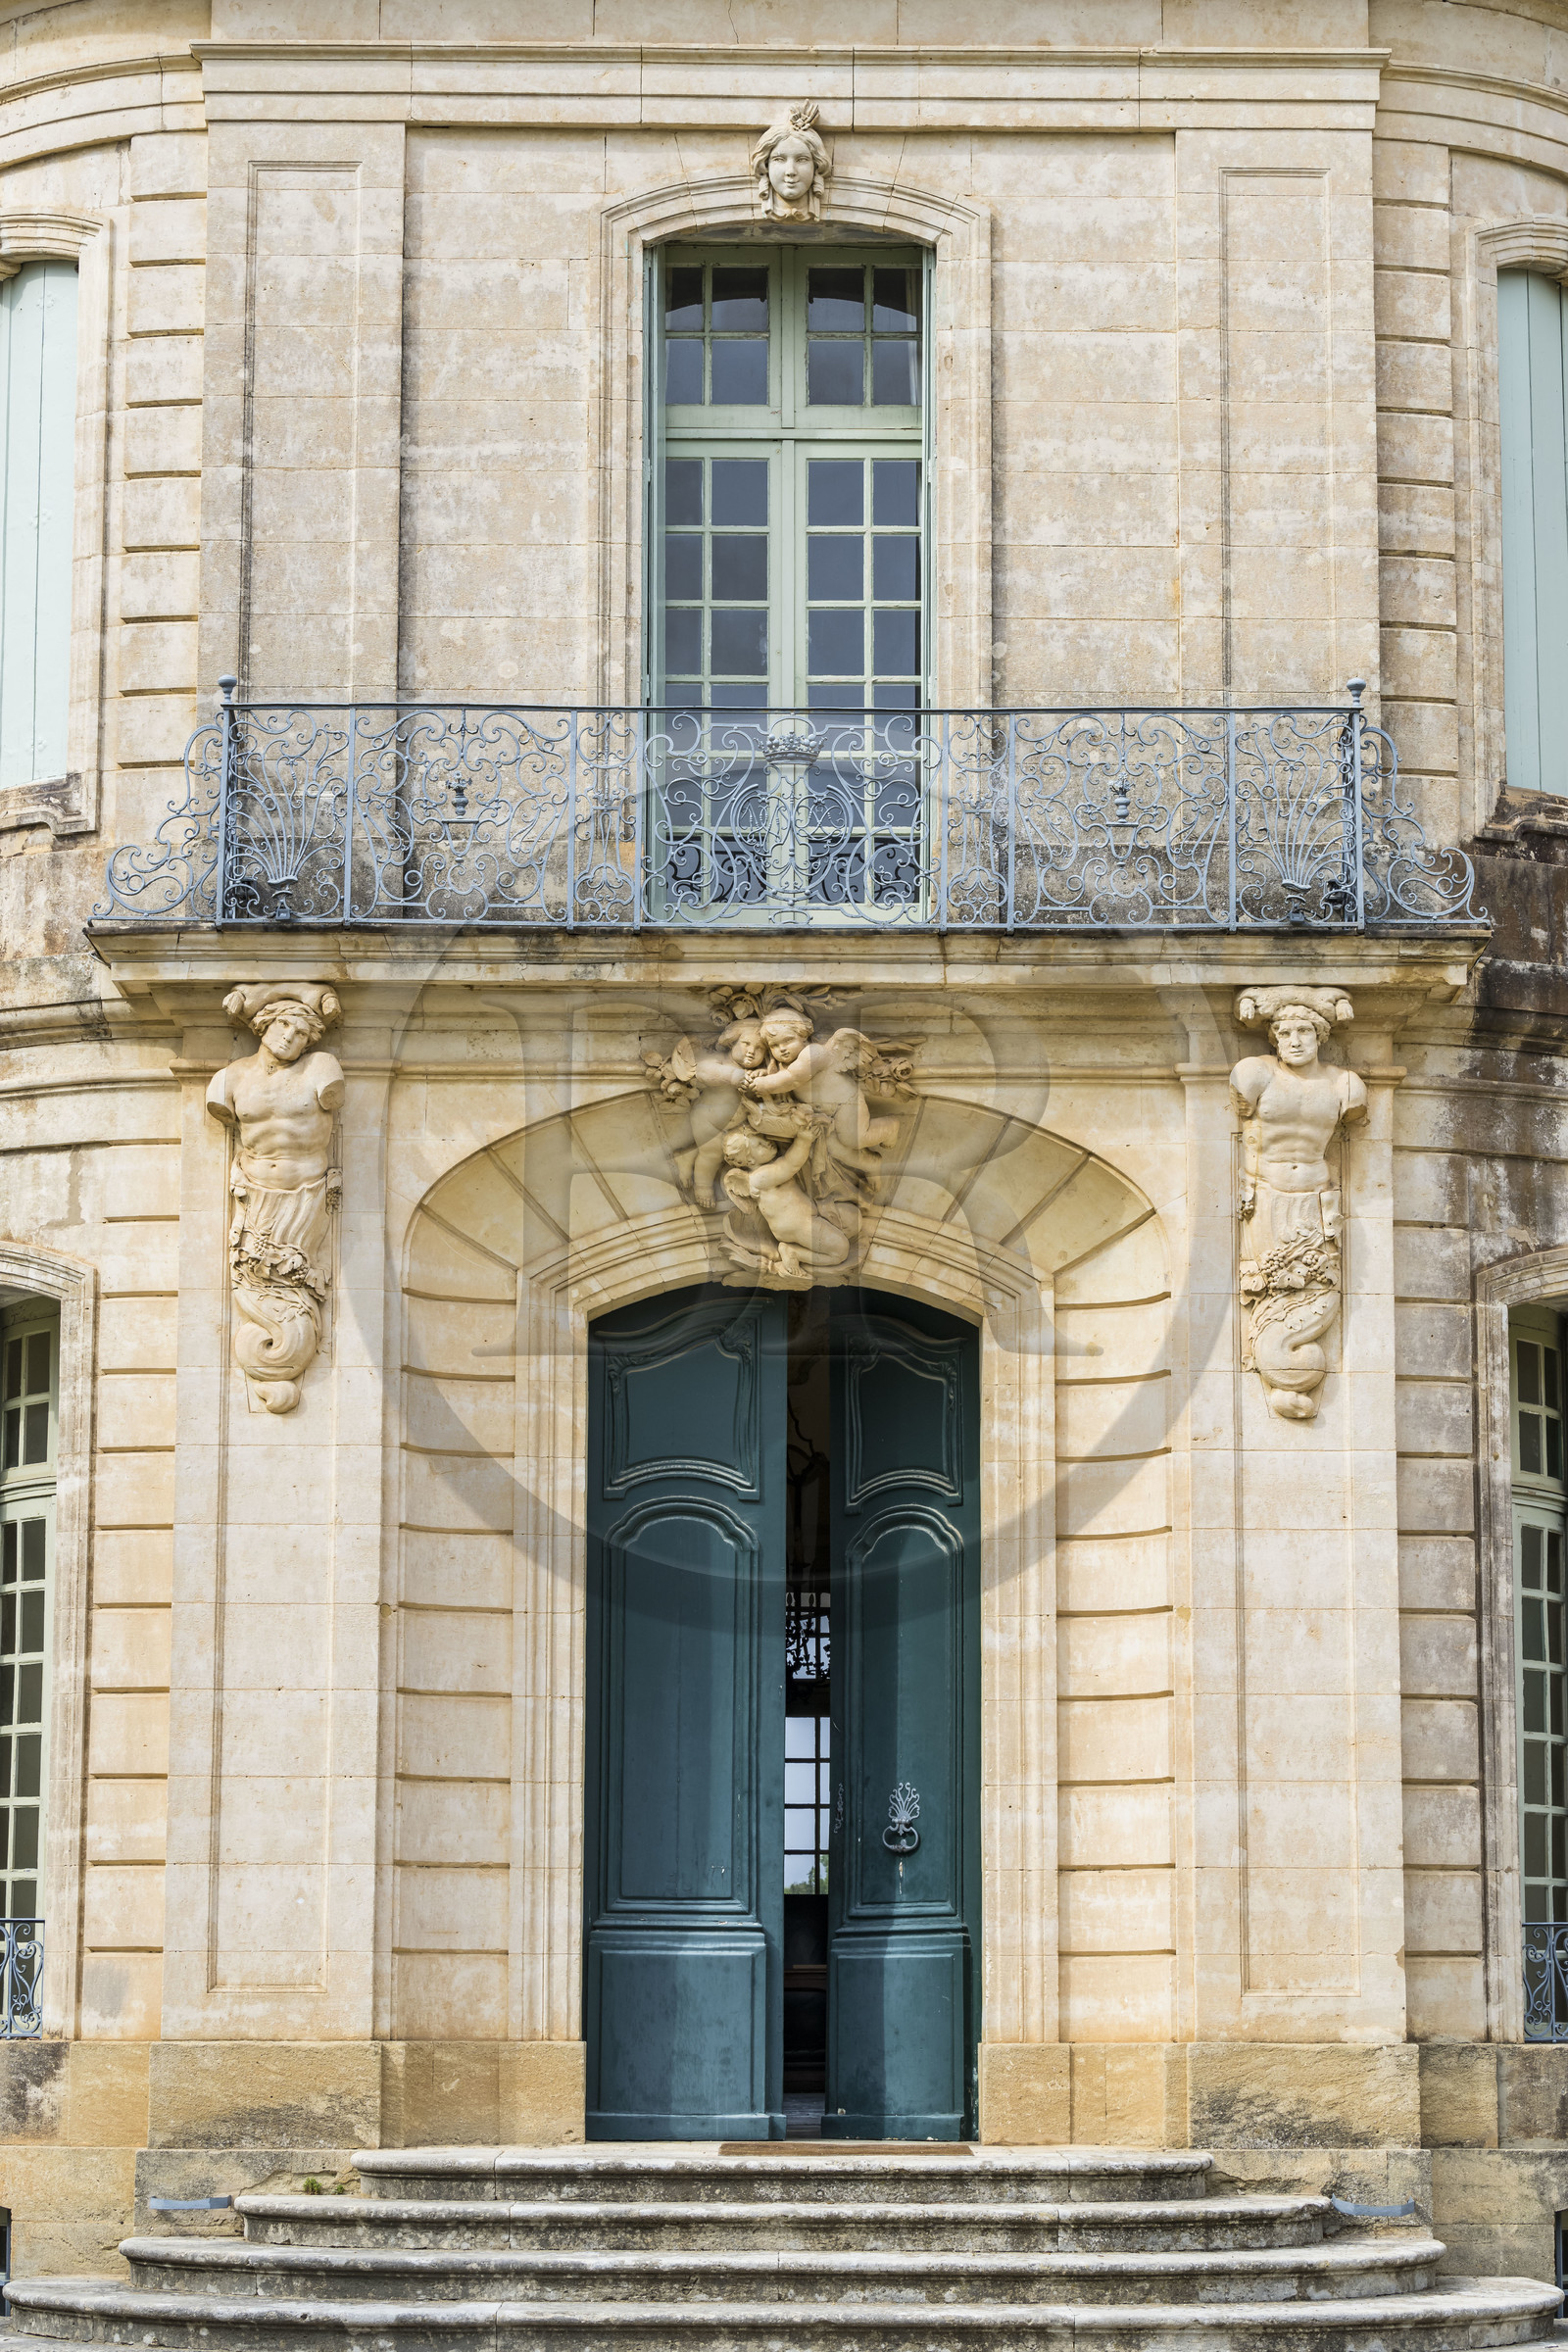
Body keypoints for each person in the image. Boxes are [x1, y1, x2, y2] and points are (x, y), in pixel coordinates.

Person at [206, 986, 345, 1412]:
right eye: (284, 1024)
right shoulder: (229, 1078)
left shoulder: (321, 1067)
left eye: (302, 1033)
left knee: (294, 1278)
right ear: (264, 1025)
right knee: (257, 1275)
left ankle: (286, 1352)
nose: (290, 1037)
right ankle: (271, 1357)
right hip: (255, 1194)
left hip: (305, 1197)